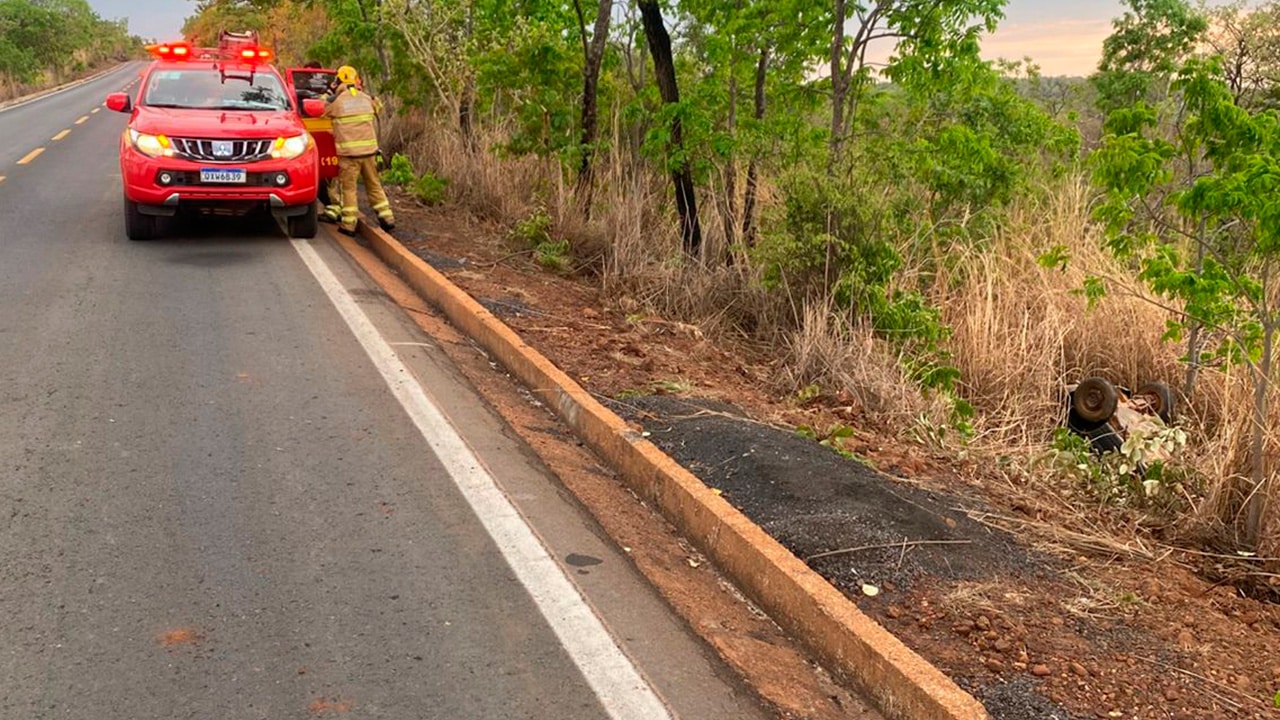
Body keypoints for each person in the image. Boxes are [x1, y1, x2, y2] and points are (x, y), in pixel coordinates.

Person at [323, 65, 394, 235]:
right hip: (369, 152)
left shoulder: (337, 102)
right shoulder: (366, 98)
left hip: (349, 156)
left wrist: (328, 94)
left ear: (338, 80)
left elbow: (322, 110)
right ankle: (387, 218)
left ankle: (348, 225)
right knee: (374, 185)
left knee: (349, 190)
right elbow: (378, 106)